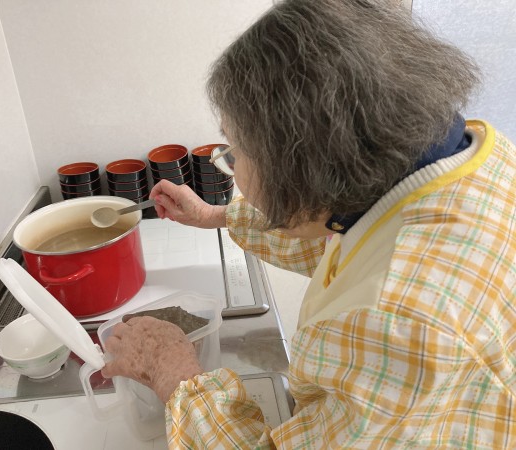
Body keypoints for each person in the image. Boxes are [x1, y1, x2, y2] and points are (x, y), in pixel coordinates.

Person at [101, 0, 516, 447]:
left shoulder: (397, 326)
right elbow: (343, 241)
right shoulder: (466, 155)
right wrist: (214, 215)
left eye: (235, 152)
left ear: (304, 164)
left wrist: (173, 371)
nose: (232, 168)